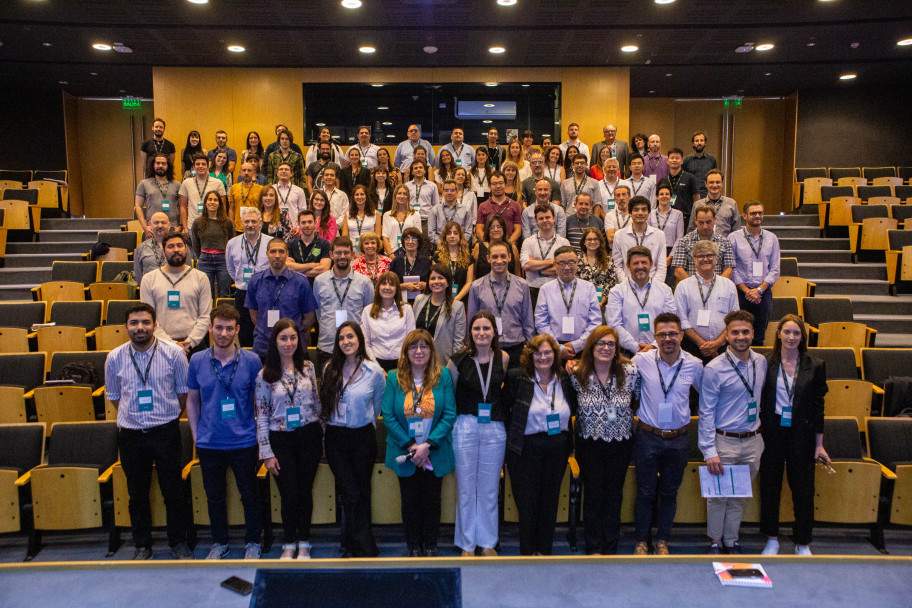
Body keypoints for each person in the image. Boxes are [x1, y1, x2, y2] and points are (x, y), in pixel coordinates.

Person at [104, 302, 193, 560]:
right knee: (137, 494)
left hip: (166, 432)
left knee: (173, 491)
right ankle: (142, 545)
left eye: (145, 322)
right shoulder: (114, 357)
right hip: (131, 435)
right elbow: (114, 396)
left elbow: (183, 392)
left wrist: (164, 415)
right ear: (126, 327)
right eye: (134, 323)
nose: (140, 328)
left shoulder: (174, 354)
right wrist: (134, 415)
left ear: (155, 325)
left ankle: (178, 542)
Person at [186, 305, 263, 560]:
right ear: (210, 328)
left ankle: (253, 541)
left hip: (244, 441)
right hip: (210, 443)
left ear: (238, 330)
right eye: (218, 327)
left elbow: (259, 402)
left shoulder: (252, 361)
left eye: (229, 328)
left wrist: (260, 436)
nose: (223, 333)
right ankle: (220, 542)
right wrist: (197, 438)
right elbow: (192, 402)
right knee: (215, 498)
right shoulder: (197, 360)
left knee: (249, 495)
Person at [631, 313, 704, 555]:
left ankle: (662, 540)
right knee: (645, 491)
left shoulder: (694, 364)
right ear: (655, 337)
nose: (668, 338)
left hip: (679, 438)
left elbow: (707, 397)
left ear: (682, 335)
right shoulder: (641, 361)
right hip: (648, 437)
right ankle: (641, 541)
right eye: (662, 334)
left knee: (669, 492)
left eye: (673, 333)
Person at [381, 329, 457, 557]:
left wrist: (427, 446)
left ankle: (431, 545)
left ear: (432, 351)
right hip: (406, 451)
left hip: (434, 450)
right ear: (406, 351)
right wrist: (412, 446)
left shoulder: (442, 375)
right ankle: (413, 545)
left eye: (424, 346)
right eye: (414, 346)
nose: (419, 351)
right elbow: (388, 415)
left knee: (433, 501)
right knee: (410, 500)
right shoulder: (394, 377)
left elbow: (450, 414)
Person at [759, 315, 830, 556]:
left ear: (802, 337)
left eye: (796, 333)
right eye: (787, 332)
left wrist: (819, 445)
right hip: (772, 432)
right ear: (778, 334)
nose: (791, 337)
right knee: (770, 486)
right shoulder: (765, 363)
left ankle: (803, 541)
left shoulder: (816, 365)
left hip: (803, 433)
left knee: (803, 489)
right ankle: (771, 539)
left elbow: (819, 408)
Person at [699, 310, 767, 554]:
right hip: (723, 442)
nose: (741, 336)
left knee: (739, 495)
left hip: (753, 440)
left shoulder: (761, 361)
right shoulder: (714, 369)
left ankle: (731, 540)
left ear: (753, 333)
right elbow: (706, 412)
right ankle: (716, 541)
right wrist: (708, 450)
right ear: (726, 336)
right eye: (735, 332)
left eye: (745, 331)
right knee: (718, 497)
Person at [503, 334, 577, 555]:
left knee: (550, 501)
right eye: (538, 352)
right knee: (527, 503)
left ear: (555, 355)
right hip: (525, 448)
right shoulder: (518, 377)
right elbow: (504, 409)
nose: (543, 357)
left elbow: (574, 406)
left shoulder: (564, 379)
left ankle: (545, 552)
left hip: (558, 447)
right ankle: (527, 553)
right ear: (530, 355)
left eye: (548, 352)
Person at [255, 319, 322, 560]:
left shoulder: (308, 367)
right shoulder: (265, 374)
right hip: (280, 440)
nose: (288, 343)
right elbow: (261, 415)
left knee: (305, 491)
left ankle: (304, 541)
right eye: (283, 338)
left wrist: (322, 432)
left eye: (293, 337)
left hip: (309, 436)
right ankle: (289, 542)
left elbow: (316, 401)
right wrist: (266, 452)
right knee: (289, 493)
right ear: (275, 341)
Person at [568, 326, 636, 554]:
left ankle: (610, 547)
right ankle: (594, 547)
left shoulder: (630, 371)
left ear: (617, 349)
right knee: (594, 494)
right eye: (601, 343)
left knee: (614, 495)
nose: (606, 348)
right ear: (592, 346)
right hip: (590, 443)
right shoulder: (576, 372)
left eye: (611, 344)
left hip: (620, 442)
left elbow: (637, 399)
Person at [319, 322, 386, 557]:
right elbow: (325, 405)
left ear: (360, 339)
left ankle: (351, 545)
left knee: (362, 491)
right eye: (341, 338)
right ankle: (365, 545)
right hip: (337, 438)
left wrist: (365, 421)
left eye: (350, 336)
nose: (346, 341)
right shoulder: (329, 368)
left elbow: (377, 405)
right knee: (350, 491)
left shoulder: (374, 371)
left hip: (363, 438)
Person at [447, 311, 509, 557]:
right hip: (465, 425)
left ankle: (487, 542)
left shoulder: (503, 358)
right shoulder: (457, 361)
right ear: (469, 333)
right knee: (465, 488)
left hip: (494, 427)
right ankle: (466, 544)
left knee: (489, 488)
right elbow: (451, 394)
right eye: (477, 329)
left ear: (494, 332)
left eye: (486, 328)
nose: (481, 333)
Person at [244, 238, 318, 358]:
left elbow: (309, 317)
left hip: (293, 347)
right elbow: (253, 314)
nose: (277, 255)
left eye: (281, 251)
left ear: (287, 254)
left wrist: (291, 333)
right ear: (267, 254)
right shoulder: (255, 281)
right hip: (264, 346)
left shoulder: (301, 282)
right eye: (273, 251)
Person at [140, 234, 212, 354]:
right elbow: (149, 318)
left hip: (195, 345)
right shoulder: (149, 279)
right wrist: (172, 344)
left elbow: (205, 316)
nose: (176, 250)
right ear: (163, 252)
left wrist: (190, 342)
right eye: (171, 246)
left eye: (179, 246)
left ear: (186, 249)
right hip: (161, 345)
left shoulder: (201, 277)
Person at [312, 236, 375, 371]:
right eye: (338, 253)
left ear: (352, 255)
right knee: (327, 389)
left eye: (346, 252)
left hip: (355, 347)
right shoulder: (319, 281)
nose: (342, 256)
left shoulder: (364, 283)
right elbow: (318, 313)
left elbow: (368, 315)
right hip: (327, 346)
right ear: (331, 255)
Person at [468, 240, 534, 368]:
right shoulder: (476, 287)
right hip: (487, 349)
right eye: (495, 257)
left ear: (510, 257)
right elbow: (471, 321)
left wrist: (531, 350)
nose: (499, 261)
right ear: (488, 259)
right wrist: (472, 348)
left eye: (503, 256)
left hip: (516, 349)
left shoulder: (522, 285)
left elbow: (528, 322)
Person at [533, 246, 601, 361]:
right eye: (562, 263)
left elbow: (595, 321)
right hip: (553, 348)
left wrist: (578, 345)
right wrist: (558, 347)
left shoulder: (588, 288)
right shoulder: (546, 289)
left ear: (577, 263)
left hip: (583, 348)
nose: (567, 267)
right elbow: (541, 322)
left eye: (571, 262)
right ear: (555, 265)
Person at [675, 240, 739, 362]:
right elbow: (681, 319)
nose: (705, 259)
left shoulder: (729, 285)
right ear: (694, 260)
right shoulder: (683, 286)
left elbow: (734, 319)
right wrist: (702, 344)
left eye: (710, 255)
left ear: (716, 259)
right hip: (692, 348)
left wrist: (717, 343)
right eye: (700, 256)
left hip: (723, 347)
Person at [605, 246, 677, 355]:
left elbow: (670, 323)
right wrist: (636, 347)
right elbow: (614, 324)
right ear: (628, 266)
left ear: (651, 264)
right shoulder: (617, 292)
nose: (640, 266)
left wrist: (653, 346)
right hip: (626, 352)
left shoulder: (665, 290)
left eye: (644, 262)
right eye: (635, 263)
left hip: (659, 351)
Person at [730, 201, 780, 345]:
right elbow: (732, 267)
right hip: (741, 292)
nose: (757, 216)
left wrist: (759, 290)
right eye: (753, 213)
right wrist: (747, 291)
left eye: (760, 213)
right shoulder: (734, 238)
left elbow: (775, 269)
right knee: (739, 334)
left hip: (763, 292)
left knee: (759, 336)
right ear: (745, 216)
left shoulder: (772, 238)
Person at [226, 207, 271, 347]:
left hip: (266, 293)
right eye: (246, 221)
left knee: (268, 330)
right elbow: (231, 269)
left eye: (253, 221)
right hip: (243, 294)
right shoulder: (232, 243)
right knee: (245, 333)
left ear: (260, 223)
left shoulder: (271, 242)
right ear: (241, 223)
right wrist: (242, 281)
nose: (250, 224)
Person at [361, 271, 416, 371]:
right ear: (378, 287)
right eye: (383, 283)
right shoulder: (367, 311)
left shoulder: (407, 309)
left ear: (397, 289)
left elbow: (411, 340)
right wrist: (376, 367)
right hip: (375, 363)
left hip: (402, 363)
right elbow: (365, 342)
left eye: (391, 284)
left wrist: (404, 363)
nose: (387, 287)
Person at [413, 264, 467, 366]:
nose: (436, 281)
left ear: (447, 283)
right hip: (417, 359)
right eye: (433, 278)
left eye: (441, 278)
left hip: (442, 362)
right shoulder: (419, 300)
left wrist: (453, 367)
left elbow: (458, 343)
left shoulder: (457, 307)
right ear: (428, 282)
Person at [670, 205, 736, 283]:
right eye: (701, 222)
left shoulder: (724, 242)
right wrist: (695, 286)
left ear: (714, 220)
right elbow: (678, 270)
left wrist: (716, 286)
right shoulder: (684, 241)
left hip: (717, 290)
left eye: (708, 222)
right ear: (695, 220)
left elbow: (729, 269)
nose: (705, 226)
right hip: (692, 288)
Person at [521, 205, 570, 305]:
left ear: (554, 219)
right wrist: (552, 262)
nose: (544, 220)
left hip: (557, 288)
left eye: (547, 217)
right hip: (533, 290)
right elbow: (526, 265)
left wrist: (535, 265)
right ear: (536, 221)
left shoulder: (564, 243)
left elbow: (565, 268)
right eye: (541, 218)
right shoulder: (528, 242)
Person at [612, 196, 667, 283]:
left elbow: (662, 266)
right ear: (630, 213)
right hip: (627, 284)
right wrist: (627, 285)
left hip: (653, 284)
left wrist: (654, 286)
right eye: (636, 210)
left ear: (649, 213)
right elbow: (617, 265)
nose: (640, 213)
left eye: (644, 209)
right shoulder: (619, 235)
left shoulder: (659, 235)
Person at [192, 191, 236, 298]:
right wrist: (201, 256)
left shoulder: (228, 222)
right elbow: (195, 244)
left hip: (223, 261)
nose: (212, 202)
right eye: (210, 199)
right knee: (206, 294)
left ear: (220, 204)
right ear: (205, 203)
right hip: (205, 261)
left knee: (224, 294)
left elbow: (232, 242)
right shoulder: (198, 222)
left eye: (215, 200)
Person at [179, 153, 227, 244]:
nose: (200, 166)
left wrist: (222, 224)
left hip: (213, 225)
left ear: (208, 166)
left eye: (203, 164)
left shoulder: (218, 183)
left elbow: (223, 206)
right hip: (192, 226)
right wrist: (184, 227)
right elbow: (182, 206)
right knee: (194, 255)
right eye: (197, 164)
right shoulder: (186, 183)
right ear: (193, 167)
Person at [135, 153, 181, 238]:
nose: (160, 166)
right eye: (158, 163)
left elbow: (183, 206)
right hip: (153, 229)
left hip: (173, 228)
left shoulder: (177, 184)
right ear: (153, 165)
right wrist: (145, 227)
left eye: (163, 163)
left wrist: (180, 226)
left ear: (168, 166)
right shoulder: (144, 184)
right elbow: (138, 206)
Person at [687, 169, 740, 236]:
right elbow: (691, 230)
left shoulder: (732, 204)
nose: (714, 185)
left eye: (718, 182)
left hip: (725, 245)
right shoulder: (697, 205)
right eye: (711, 182)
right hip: (703, 244)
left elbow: (737, 231)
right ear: (706, 184)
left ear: (722, 183)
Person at [576, 227, 618, 309]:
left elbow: (611, 284)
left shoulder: (608, 260)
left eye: (595, 239)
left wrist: (601, 302)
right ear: (584, 242)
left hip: (603, 306)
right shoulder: (577, 261)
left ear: (600, 241)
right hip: (581, 305)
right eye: (589, 239)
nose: (592, 242)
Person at [475, 171, 522, 245]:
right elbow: (478, 229)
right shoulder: (482, 206)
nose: (498, 186)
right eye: (494, 184)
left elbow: (518, 229)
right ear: (489, 186)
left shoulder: (515, 205)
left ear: (505, 184)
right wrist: (488, 245)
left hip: (509, 246)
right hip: (488, 247)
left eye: (501, 183)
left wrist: (508, 244)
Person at [286, 209, 332, 284]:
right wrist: (313, 265)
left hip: (317, 286)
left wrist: (297, 270)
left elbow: (324, 269)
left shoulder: (325, 244)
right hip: (295, 285)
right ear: (298, 224)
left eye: (310, 222)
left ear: (315, 223)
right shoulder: (291, 243)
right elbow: (288, 267)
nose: (307, 225)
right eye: (303, 222)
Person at [434, 221, 475, 302]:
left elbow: (469, 282)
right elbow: (435, 281)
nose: (452, 236)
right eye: (449, 233)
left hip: (462, 301)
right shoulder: (437, 257)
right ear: (445, 236)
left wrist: (456, 299)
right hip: (441, 300)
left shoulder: (468, 258)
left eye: (455, 233)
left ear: (460, 236)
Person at [390, 227, 431, 303]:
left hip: (422, 301)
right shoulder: (397, 261)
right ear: (403, 242)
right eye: (407, 239)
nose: (410, 242)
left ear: (419, 242)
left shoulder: (426, 261)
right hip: (400, 301)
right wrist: (403, 286)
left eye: (414, 239)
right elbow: (389, 284)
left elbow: (433, 282)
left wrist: (425, 285)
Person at [429, 179, 474, 247]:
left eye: (452, 190)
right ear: (443, 193)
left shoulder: (466, 210)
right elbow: (431, 233)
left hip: (460, 247)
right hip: (440, 247)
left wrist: (457, 243)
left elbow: (468, 233)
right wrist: (443, 244)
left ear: (457, 192)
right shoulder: (435, 210)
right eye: (446, 190)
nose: (449, 193)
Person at [648, 180, 685, 261]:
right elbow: (648, 235)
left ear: (671, 197)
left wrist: (671, 256)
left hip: (671, 251)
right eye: (661, 194)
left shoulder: (678, 214)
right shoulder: (650, 214)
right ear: (657, 197)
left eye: (667, 194)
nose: (664, 196)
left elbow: (679, 237)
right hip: (653, 251)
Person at [665, 148, 701, 229]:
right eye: (672, 158)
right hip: (667, 218)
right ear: (667, 161)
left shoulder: (690, 178)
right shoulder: (664, 180)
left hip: (686, 218)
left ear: (682, 161)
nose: (674, 160)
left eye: (677, 158)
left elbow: (696, 198)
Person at [382, 185, 422, 256]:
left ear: (408, 197)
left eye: (405, 194)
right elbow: (385, 237)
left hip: (410, 254)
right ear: (395, 196)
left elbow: (417, 237)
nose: (402, 196)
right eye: (399, 193)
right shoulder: (387, 215)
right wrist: (391, 256)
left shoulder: (416, 215)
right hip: (391, 254)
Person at [339, 184, 381, 249]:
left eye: (362, 194)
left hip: (370, 250)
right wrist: (354, 254)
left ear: (366, 196)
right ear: (353, 197)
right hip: (352, 252)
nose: (359, 197)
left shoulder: (376, 214)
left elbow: (378, 237)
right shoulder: (347, 215)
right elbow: (345, 237)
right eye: (357, 195)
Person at [134, 212, 170, 287]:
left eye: (163, 222)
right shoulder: (141, 248)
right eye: (156, 223)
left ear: (169, 225)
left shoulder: (179, 247)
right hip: (149, 290)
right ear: (150, 224)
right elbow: (139, 276)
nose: (160, 226)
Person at [405, 160, 439, 233]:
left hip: (426, 221)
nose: (418, 170)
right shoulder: (407, 186)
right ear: (412, 172)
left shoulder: (432, 186)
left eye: (420, 167)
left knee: (426, 244)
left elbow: (436, 205)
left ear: (424, 171)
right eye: (415, 168)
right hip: (410, 219)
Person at [229, 161, 263, 233]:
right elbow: (231, 208)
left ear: (254, 173)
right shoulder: (234, 187)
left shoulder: (260, 189)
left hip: (254, 227)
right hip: (238, 228)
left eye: (249, 170)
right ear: (240, 172)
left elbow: (262, 209)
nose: (246, 173)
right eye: (244, 170)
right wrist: (231, 223)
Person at [683, 131, 718, 199]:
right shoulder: (686, 160)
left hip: (708, 195)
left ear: (705, 143)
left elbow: (715, 177)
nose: (699, 143)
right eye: (697, 141)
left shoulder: (712, 160)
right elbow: (684, 179)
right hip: (691, 195)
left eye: (701, 140)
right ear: (693, 143)